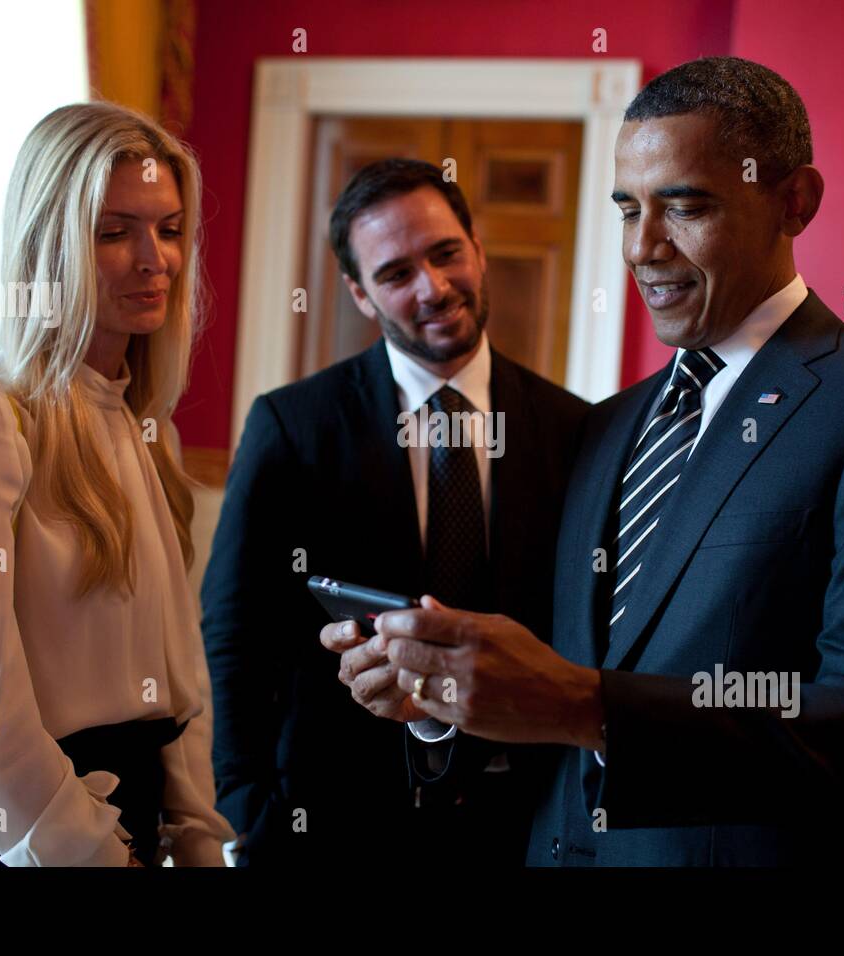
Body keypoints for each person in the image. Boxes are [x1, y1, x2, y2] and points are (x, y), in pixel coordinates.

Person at [370, 57, 844, 866]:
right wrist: (441, 700)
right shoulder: (604, 427)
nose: (642, 247)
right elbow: (551, 706)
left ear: (795, 202)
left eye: (686, 206)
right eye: (628, 209)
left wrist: (591, 708)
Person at [203, 158, 588, 865]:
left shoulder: (577, 430)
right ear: (359, 292)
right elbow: (235, 628)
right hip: (334, 823)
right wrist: (247, 808)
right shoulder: (293, 426)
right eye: (395, 273)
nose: (433, 289)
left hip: (525, 822)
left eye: (446, 254)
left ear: (477, 248)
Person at [0, 101, 234, 866]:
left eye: (171, 228)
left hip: (136, 831)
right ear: (49, 244)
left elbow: (182, 681)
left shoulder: (148, 429)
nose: (155, 259)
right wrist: (93, 854)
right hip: (29, 842)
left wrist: (193, 834)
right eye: (114, 232)